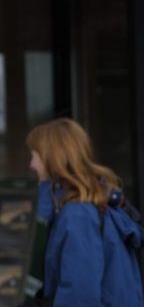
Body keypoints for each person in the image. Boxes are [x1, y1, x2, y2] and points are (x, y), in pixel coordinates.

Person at [23, 117, 144, 306]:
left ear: (52, 158)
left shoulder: (79, 214)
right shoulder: (93, 206)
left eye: (34, 155)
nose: (32, 164)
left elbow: (78, 296)